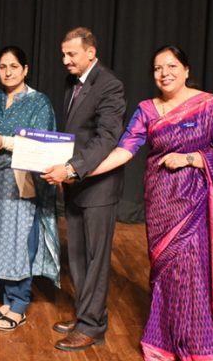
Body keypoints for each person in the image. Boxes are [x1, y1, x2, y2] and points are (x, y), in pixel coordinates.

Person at [84, 45, 213, 360]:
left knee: (193, 278)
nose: (165, 73)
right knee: (165, 276)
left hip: (195, 208)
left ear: (186, 70)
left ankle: (197, 349)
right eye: (158, 68)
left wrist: (191, 158)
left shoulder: (208, 107)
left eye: (172, 66)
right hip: (159, 205)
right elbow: (125, 150)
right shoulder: (147, 109)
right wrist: (78, 170)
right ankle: (162, 343)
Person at [41, 27, 126, 351]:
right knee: (76, 256)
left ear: (91, 52)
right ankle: (85, 314)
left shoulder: (110, 85)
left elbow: (107, 138)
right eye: (63, 54)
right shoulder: (73, 83)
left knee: (95, 258)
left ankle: (93, 327)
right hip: (75, 185)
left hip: (98, 188)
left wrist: (72, 168)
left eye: (71, 54)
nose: (65, 60)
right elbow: (74, 134)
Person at [0, 46, 61, 332]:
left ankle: (19, 304)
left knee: (21, 241)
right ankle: (7, 300)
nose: (8, 72)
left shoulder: (38, 102)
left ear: (26, 70)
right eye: (3, 67)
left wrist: (2, 141)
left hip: (23, 181)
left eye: (14, 67)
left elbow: (40, 143)